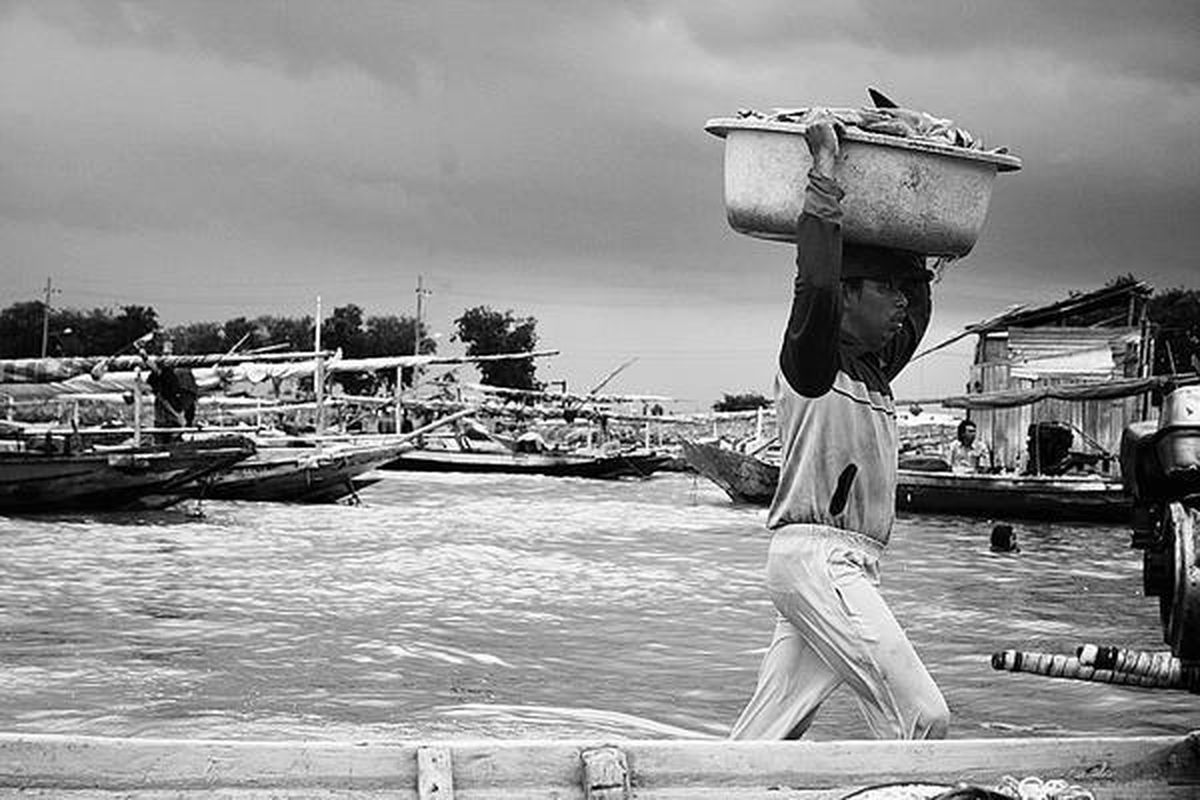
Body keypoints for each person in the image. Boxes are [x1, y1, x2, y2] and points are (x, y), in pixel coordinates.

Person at [729, 112, 949, 741]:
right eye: (887, 289)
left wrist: (917, 198)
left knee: (768, 737)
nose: (901, 304)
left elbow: (920, 303)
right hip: (819, 559)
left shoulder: (873, 371)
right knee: (922, 717)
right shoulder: (814, 360)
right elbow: (817, 278)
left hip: (846, 563)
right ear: (848, 298)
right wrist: (824, 171)